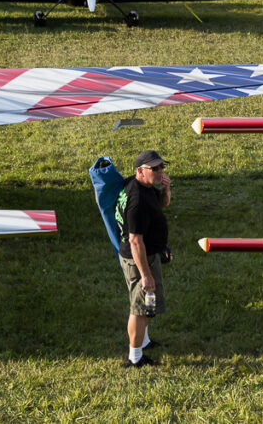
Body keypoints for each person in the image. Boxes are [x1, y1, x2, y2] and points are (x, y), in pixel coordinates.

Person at [117, 150, 172, 367]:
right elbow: (135, 241)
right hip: (140, 259)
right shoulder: (137, 201)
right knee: (139, 308)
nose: (160, 172)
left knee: (148, 304)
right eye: (155, 168)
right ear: (140, 171)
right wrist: (146, 275)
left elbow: (163, 205)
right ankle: (135, 358)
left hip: (147, 255)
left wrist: (165, 188)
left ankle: (145, 341)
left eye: (162, 167)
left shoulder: (141, 185)